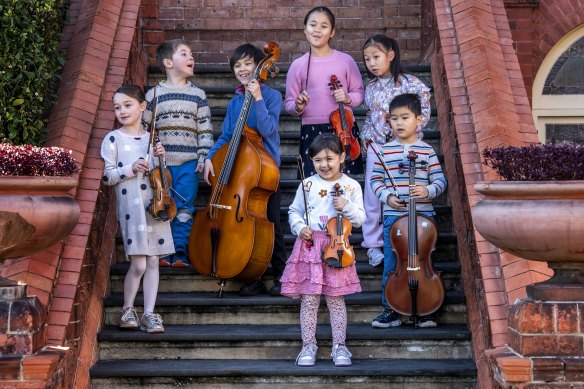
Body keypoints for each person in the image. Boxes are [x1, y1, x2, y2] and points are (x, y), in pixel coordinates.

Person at [203, 43, 286, 297]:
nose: (242, 69)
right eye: (237, 65)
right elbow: (227, 135)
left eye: (248, 63)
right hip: (240, 172)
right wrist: (209, 157)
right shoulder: (235, 102)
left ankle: (281, 273)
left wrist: (258, 97)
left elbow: (268, 128)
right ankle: (254, 274)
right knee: (246, 226)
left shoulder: (272, 96)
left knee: (271, 224)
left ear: (260, 65)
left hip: (265, 173)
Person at [281, 133, 365, 367]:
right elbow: (294, 211)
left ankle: (340, 346)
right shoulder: (307, 184)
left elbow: (360, 219)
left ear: (342, 157)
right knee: (309, 299)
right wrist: (300, 228)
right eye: (317, 160)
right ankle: (308, 345)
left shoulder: (351, 186)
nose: (324, 165)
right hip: (310, 246)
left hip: (337, 247)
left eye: (329, 158)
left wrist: (346, 206)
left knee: (336, 300)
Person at [101, 85, 174, 333]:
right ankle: (127, 309)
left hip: (156, 205)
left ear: (143, 107)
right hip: (131, 206)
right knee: (140, 264)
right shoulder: (113, 139)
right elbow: (108, 176)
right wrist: (130, 168)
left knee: (154, 260)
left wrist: (161, 158)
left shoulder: (152, 139)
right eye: (117, 107)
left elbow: (163, 176)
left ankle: (150, 314)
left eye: (127, 105)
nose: (121, 111)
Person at [369, 93, 446, 329]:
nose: (399, 123)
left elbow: (440, 181)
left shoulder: (426, 151)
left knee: (424, 260)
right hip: (395, 217)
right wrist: (389, 197)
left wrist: (427, 191)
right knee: (393, 264)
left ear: (419, 120)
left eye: (405, 117)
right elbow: (375, 181)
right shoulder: (384, 151)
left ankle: (425, 308)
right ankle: (390, 308)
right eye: (394, 119)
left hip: (423, 216)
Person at [361, 35, 431, 268]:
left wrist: (410, 132)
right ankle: (373, 245)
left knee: (401, 192)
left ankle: (400, 239)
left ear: (390, 56)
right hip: (377, 148)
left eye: (376, 57)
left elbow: (425, 108)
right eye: (367, 59)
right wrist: (365, 137)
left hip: (404, 147)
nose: (372, 63)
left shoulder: (411, 83)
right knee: (373, 196)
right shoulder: (370, 88)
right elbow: (370, 117)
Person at [142, 39, 214, 268]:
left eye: (191, 54)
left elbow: (204, 129)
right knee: (162, 205)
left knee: (184, 207)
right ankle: (163, 250)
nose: (191, 57)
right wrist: (151, 155)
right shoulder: (153, 94)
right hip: (161, 166)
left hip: (189, 164)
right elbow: (145, 130)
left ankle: (180, 250)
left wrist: (203, 157)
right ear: (168, 62)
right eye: (184, 54)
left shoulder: (198, 95)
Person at [285, 6, 365, 178]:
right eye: (313, 25)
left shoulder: (346, 61)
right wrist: (298, 105)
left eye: (324, 26)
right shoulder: (298, 65)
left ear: (332, 31)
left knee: (344, 184)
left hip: (343, 129)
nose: (317, 30)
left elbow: (359, 93)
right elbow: (289, 103)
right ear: (305, 29)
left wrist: (347, 97)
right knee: (314, 185)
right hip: (311, 129)